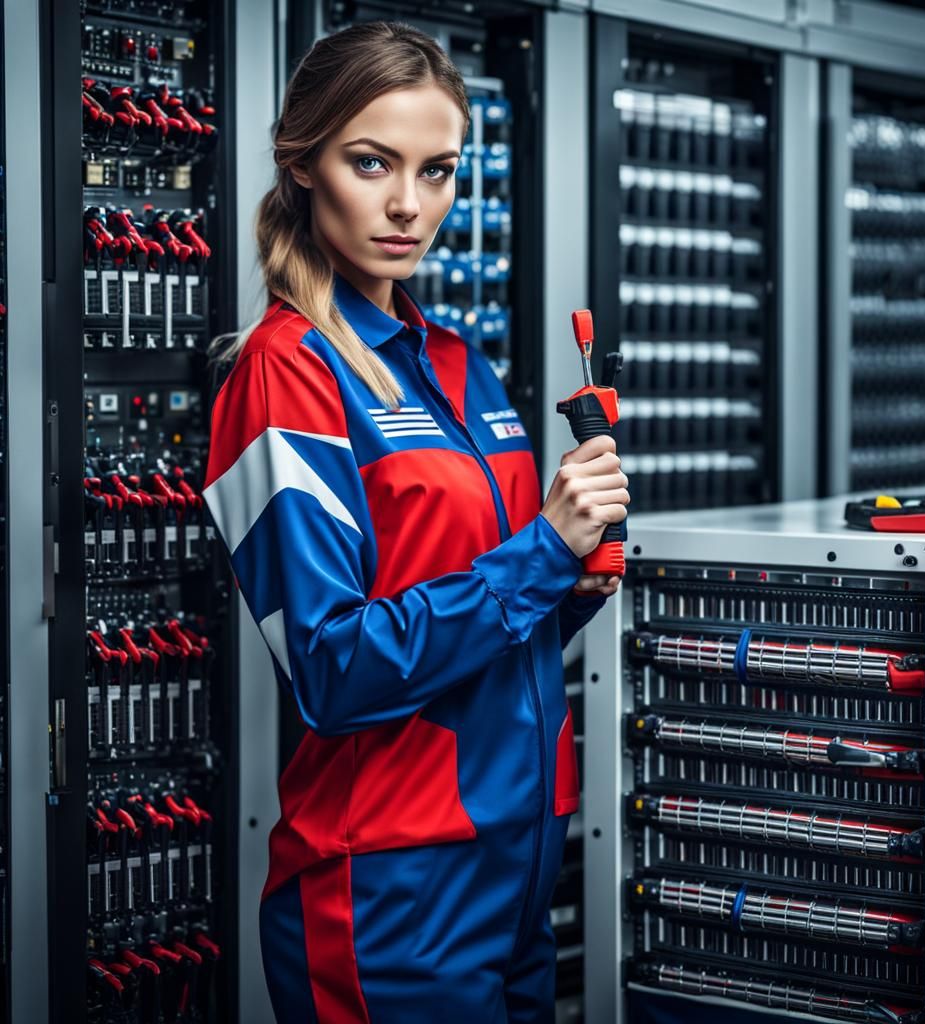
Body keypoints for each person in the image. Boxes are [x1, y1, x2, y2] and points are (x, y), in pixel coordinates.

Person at [203, 20, 629, 1023]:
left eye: (436, 171)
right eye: (370, 163)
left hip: (514, 855)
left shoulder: (453, 361)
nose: (409, 205)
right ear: (302, 164)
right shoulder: (285, 372)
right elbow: (333, 665)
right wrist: (541, 551)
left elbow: (476, 607)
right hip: (386, 888)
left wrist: (570, 586)